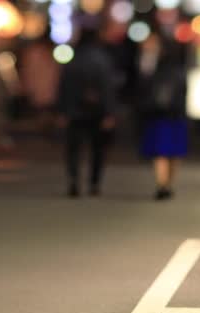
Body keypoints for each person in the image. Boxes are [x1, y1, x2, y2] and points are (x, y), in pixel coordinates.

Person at [57, 29, 116, 198]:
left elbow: (64, 88)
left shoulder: (73, 60)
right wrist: (109, 113)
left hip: (75, 111)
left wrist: (62, 111)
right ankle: (94, 183)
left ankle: (74, 181)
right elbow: (108, 89)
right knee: (97, 149)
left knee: (74, 149)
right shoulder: (103, 60)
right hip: (97, 112)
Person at [137, 32, 188, 200]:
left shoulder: (152, 66)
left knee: (161, 152)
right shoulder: (180, 69)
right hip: (176, 114)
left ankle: (162, 184)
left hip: (159, 115)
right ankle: (168, 184)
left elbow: (143, 87)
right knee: (173, 152)